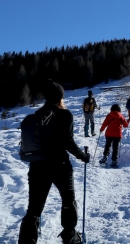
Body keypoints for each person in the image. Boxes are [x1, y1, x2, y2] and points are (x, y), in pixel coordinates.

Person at [18, 79, 90, 244]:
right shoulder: (65, 115)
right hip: (60, 166)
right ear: (60, 97)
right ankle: (70, 235)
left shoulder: (36, 116)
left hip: (37, 166)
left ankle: (27, 241)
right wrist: (83, 156)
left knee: (34, 208)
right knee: (68, 199)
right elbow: (68, 142)